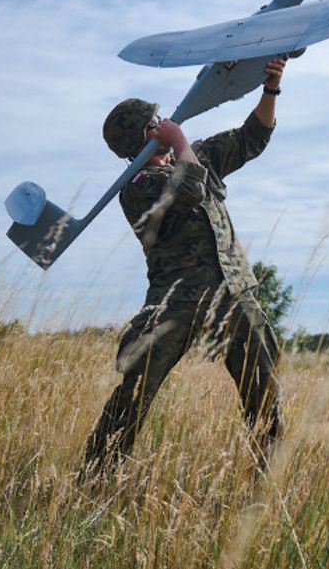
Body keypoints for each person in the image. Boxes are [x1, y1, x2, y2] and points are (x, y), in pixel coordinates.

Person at [80, 56, 289, 481]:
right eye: (155, 120)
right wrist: (178, 143)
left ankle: (268, 482)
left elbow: (253, 138)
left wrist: (270, 88)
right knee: (135, 393)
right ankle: (96, 479)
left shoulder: (197, 155)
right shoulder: (136, 189)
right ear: (142, 137)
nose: (165, 120)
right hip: (176, 302)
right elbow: (190, 190)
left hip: (234, 293)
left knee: (263, 388)